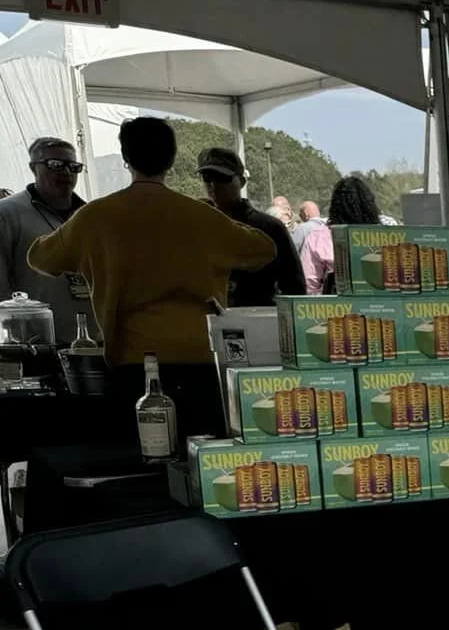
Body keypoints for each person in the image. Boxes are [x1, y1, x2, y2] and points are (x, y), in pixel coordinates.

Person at [27, 117, 274, 438]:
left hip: (133, 361)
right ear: (171, 160)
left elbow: (39, 258)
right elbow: (263, 249)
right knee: (202, 453)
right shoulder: (201, 216)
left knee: (144, 456)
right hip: (202, 356)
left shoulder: (95, 216)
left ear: (126, 158)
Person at [0, 135, 96, 344]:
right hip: (37, 343)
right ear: (33, 167)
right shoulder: (7, 214)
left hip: (95, 339)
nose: (66, 172)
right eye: (55, 164)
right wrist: (16, 336)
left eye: (74, 167)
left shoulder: (91, 215)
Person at [196, 147, 307, 308]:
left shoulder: (270, 228)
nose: (213, 184)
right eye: (207, 178)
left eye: (221, 177)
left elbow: (295, 287)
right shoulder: (198, 226)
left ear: (241, 181)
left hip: (258, 318)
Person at [300, 176, 380, 293]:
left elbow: (309, 286)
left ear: (335, 206)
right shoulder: (384, 236)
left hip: (334, 303)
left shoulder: (318, 238)